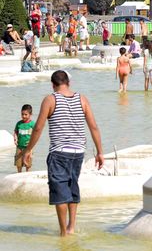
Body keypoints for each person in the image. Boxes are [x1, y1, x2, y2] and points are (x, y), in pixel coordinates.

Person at [22, 70, 104, 237]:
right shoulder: (82, 99)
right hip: (78, 152)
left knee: (60, 191)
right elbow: (94, 127)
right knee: (72, 187)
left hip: (59, 152)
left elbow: (38, 127)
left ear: (53, 85)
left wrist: (28, 150)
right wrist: (100, 152)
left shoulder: (50, 99)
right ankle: (71, 228)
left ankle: (63, 233)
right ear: (68, 83)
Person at [13, 104, 35, 173]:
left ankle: (27, 180)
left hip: (28, 148)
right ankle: (19, 176)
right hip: (19, 147)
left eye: (26, 114)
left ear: (30, 114)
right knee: (18, 165)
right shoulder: (19, 123)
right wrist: (15, 138)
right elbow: (15, 132)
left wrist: (31, 144)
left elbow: (36, 134)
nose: (23, 116)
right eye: (22, 114)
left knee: (28, 166)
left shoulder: (32, 124)